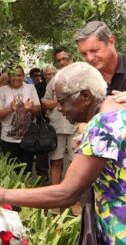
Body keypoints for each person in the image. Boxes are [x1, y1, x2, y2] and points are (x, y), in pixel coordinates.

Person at [0, 63, 126, 244]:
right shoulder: (121, 106)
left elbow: (66, 193)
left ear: (86, 97)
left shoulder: (104, 123)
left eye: (62, 101)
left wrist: (3, 195)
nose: (59, 108)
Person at [0, 66, 41, 173]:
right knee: (10, 171)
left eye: (19, 75)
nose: (16, 78)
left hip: (28, 138)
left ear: (23, 76)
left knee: (26, 171)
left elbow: (38, 111)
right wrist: (11, 108)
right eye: (13, 75)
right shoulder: (2, 90)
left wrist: (31, 108)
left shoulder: (30, 88)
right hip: (8, 139)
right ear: (9, 77)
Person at [41, 51, 77, 188]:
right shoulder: (54, 81)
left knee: (75, 165)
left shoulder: (81, 78)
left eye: (65, 59)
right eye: (59, 60)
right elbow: (45, 103)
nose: (62, 62)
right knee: (56, 162)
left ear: (71, 59)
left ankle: (72, 198)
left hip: (76, 127)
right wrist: (59, 101)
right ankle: (55, 197)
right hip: (57, 128)